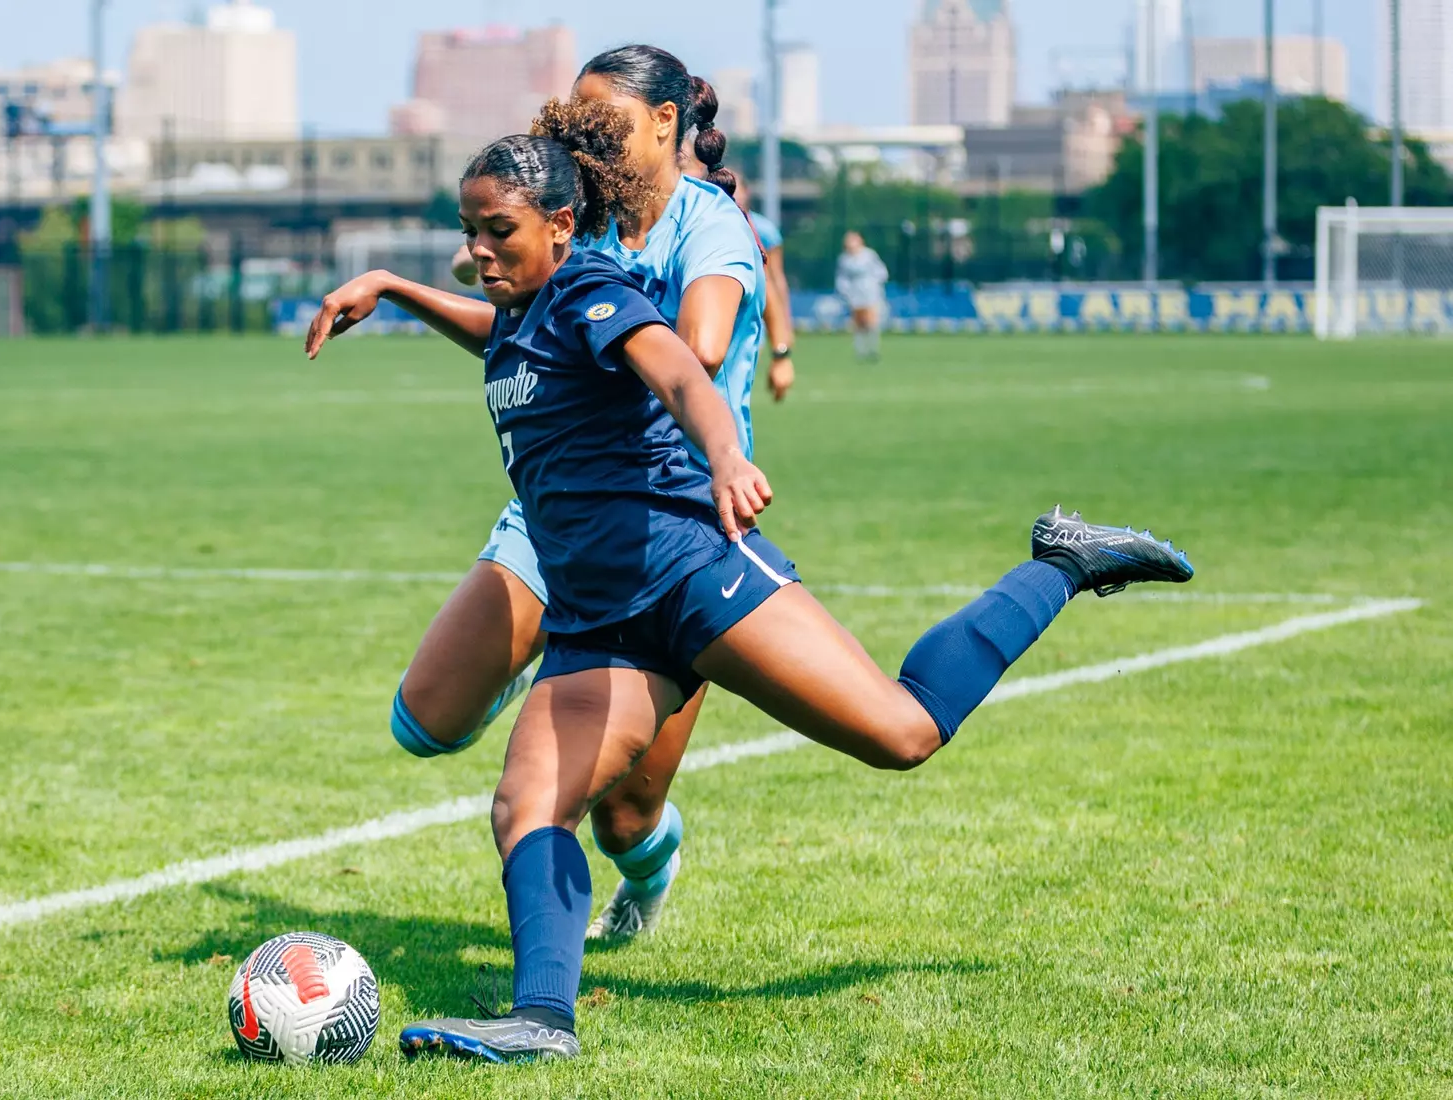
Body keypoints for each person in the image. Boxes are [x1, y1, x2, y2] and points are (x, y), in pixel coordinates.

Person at [306, 111, 1196, 1066]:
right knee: (526, 809)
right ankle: (541, 1022)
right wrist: (394, 289)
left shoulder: (594, 291)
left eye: (498, 232)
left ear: (562, 224)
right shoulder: (525, 312)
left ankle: (1059, 559)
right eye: (469, 230)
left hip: (693, 572)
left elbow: (681, 373)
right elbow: (497, 335)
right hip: (600, 621)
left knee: (903, 733)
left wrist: (727, 454)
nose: (476, 251)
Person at [310, 45, 767, 945]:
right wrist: (399, 288)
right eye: (578, 124)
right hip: (555, 512)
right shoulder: (582, 225)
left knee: (624, 822)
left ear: (666, 125)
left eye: (608, 124)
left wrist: (623, 331)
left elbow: (699, 350)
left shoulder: (706, 224)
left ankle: (651, 858)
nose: (587, 140)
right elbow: (519, 333)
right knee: (424, 723)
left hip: (667, 527)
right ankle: (547, 651)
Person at [735, 173, 795, 401]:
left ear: (747, 192)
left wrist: (784, 330)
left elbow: (775, 278)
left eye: (736, 186)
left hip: (751, 314)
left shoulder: (764, 229)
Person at [836, 230, 889, 362]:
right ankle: (860, 350)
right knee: (859, 324)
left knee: (872, 321)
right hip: (855, 294)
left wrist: (877, 283)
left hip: (870, 291)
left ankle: (873, 349)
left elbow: (881, 271)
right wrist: (845, 291)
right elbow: (842, 278)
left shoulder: (869, 255)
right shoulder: (844, 259)